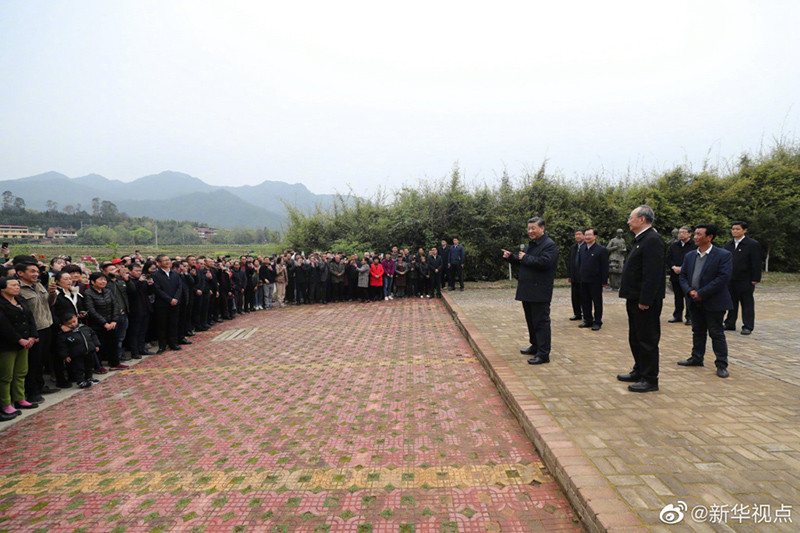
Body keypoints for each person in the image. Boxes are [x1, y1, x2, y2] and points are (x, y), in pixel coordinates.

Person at [616, 206, 666, 393]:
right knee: (636, 337)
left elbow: (652, 274)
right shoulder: (641, 239)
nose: (628, 221)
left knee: (647, 339)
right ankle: (639, 369)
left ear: (642, 220)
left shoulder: (653, 240)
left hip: (645, 301)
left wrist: (646, 299)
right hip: (634, 297)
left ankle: (650, 379)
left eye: (631, 218)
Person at [677, 224, 733, 378]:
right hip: (694, 300)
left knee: (716, 333)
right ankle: (696, 357)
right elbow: (682, 276)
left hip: (714, 301)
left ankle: (721, 364)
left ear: (709, 237)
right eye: (694, 234)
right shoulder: (690, 256)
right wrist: (690, 291)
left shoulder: (723, 255)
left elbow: (723, 278)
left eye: (699, 234)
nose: (695, 237)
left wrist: (702, 292)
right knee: (698, 331)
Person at [502, 217, 559, 365]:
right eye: (529, 229)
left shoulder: (549, 245)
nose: (530, 231)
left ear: (542, 228)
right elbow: (524, 261)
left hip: (539, 291)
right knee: (531, 321)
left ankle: (543, 354)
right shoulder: (532, 244)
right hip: (527, 290)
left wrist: (525, 257)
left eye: (533, 228)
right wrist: (512, 257)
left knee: (541, 322)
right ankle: (535, 345)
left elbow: (545, 263)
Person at [0, 277, 39, 421]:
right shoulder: (2, 303)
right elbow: (4, 325)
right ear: (3, 288)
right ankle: (5, 403)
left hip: (26, 341)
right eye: (13, 285)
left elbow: (30, 318)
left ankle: (20, 398)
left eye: (18, 285)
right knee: (6, 376)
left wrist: (33, 335)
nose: (17, 287)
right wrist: (19, 339)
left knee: (21, 371)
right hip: (8, 344)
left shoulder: (21, 300)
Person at [723, 221, 762, 335]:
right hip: (730, 279)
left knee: (747, 303)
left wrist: (755, 278)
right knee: (731, 302)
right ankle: (730, 323)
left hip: (746, 279)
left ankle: (748, 326)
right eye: (733, 229)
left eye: (737, 229)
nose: (734, 231)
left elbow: (756, 262)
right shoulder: (728, 244)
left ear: (744, 230)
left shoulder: (752, 244)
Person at [84, 272, 127, 371]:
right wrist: (104, 323)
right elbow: (91, 310)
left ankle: (114, 363)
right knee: (98, 345)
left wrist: (114, 320)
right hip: (97, 324)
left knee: (113, 343)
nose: (103, 282)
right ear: (93, 282)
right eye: (100, 280)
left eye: (104, 279)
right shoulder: (88, 293)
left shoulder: (108, 291)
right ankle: (98, 366)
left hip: (111, 323)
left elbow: (115, 305)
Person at [55, 313, 101, 388]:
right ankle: (80, 381)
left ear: (77, 318)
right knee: (78, 368)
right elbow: (62, 346)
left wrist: (96, 344)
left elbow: (93, 335)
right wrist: (65, 356)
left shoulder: (84, 327)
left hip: (88, 351)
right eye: (69, 323)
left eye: (74, 321)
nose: (72, 324)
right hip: (76, 355)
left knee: (89, 365)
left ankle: (89, 377)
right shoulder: (64, 334)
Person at [578, 228, 609, 331]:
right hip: (583, 280)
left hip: (596, 281)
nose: (587, 237)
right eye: (586, 235)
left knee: (597, 302)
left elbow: (605, 267)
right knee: (585, 301)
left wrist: (604, 281)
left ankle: (597, 321)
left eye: (589, 235)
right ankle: (588, 320)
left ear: (595, 236)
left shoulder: (601, 250)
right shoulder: (582, 249)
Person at [151, 254, 182, 354]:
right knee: (162, 325)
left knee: (174, 323)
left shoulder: (175, 273)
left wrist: (176, 298)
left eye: (168, 260)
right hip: (162, 304)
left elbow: (179, 287)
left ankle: (173, 343)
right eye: (164, 261)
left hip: (175, 303)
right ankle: (162, 346)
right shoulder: (156, 275)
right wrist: (169, 299)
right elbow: (158, 290)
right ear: (159, 263)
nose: (167, 262)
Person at [666, 226, 696, 325]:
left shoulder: (694, 245)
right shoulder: (674, 246)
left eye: (683, 232)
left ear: (689, 234)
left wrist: (683, 268)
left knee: (688, 298)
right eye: (680, 232)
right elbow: (668, 258)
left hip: (688, 276)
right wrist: (673, 267)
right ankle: (677, 316)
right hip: (675, 275)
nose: (681, 234)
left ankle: (690, 317)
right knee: (678, 297)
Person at [567, 230, 585, 321]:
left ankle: (586, 314)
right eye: (576, 234)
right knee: (575, 296)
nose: (577, 236)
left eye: (579, 234)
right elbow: (570, 262)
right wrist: (569, 275)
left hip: (583, 277)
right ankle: (577, 313)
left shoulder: (586, 247)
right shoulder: (573, 247)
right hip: (574, 276)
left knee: (584, 296)